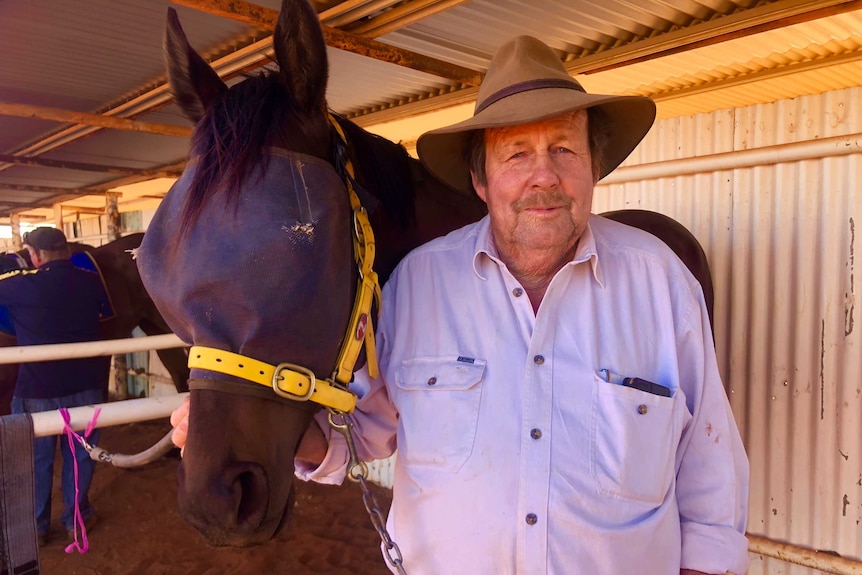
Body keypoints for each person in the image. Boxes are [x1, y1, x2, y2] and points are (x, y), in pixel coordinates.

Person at [172, 35, 750, 574]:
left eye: (564, 149)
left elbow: (709, 459)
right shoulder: (415, 287)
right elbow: (363, 428)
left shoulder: (662, 284)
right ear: (480, 178)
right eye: (516, 154)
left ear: (595, 166)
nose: (543, 176)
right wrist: (238, 429)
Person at [0, 227, 107, 546]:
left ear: (35, 256)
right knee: (80, 456)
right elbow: (103, 313)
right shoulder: (91, 282)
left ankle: (37, 526)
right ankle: (77, 520)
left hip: (37, 390)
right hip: (87, 385)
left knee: (36, 460)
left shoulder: (18, 286)